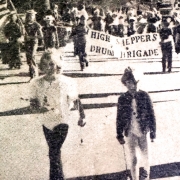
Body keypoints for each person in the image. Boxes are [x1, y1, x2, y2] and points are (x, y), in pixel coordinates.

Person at [30, 49, 86, 180]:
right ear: (41, 66)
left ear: (57, 65)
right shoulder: (36, 83)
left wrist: (82, 116)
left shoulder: (67, 82)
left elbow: (76, 100)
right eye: (45, 65)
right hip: (46, 122)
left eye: (52, 64)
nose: (49, 68)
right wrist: (39, 108)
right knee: (54, 152)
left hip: (62, 120)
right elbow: (32, 104)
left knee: (54, 151)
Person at [116, 67, 156, 180]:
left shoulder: (145, 96)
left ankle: (146, 175)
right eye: (127, 83)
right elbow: (119, 117)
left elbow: (152, 115)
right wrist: (119, 133)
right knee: (133, 159)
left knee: (146, 157)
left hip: (144, 131)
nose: (130, 85)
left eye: (132, 82)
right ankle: (134, 178)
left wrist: (153, 132)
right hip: (130, 132)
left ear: (137, 82)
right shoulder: (122, 99)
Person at [24, 9, 44, 79]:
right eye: (29, 15)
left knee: (32, 56)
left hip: (34, 42)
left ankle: (34, 73)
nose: (30, 17)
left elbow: (41, 36)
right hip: (27, 43)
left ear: (34, 16)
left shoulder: (36, 24)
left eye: (31, 15)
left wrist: (31, 37)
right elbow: (22, 34)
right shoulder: (24, 24)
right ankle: (31, 72)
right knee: (29, 59)